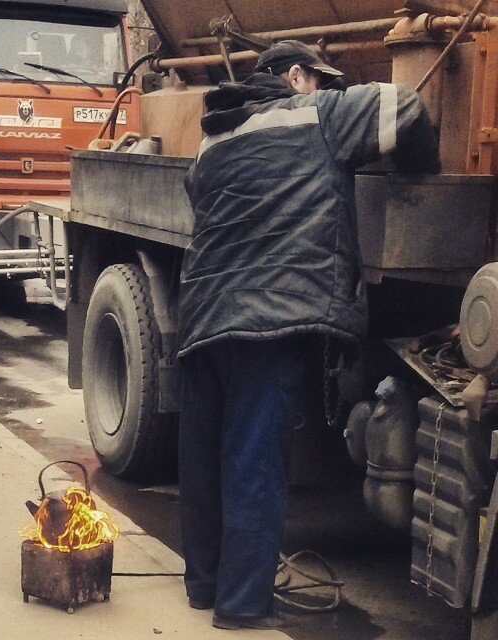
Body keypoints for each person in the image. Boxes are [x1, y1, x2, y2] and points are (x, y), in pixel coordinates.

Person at [177, 40, 441, 631]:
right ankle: (242, 607)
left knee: (203, 456)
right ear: (297, 77)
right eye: (323, 80)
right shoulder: (320, 114)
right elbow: (408, 111)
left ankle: (203, 587)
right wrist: (419, 169)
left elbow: (199, 198)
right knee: (254, 460)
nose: (328, 90)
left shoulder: (214, 137)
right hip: (267, 322)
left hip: (202, 314)